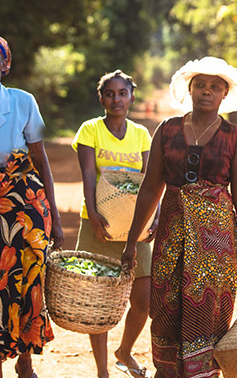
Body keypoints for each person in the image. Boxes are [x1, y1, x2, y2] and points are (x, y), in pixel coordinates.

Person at [121, 56, 237, 378]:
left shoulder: (234, 137)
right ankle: (167, 371)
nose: (206, 92)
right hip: (171, 239)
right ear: (190, 89)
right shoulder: (167, 131)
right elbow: (149, 188)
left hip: (216, 245)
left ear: (224, 94)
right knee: (166, 308)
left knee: (208, 313)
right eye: (200, 85)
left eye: (215, 87)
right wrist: (131, 242)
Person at [0, 34, 64, 378]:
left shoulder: (22, 102)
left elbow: (40, 161)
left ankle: (25, 358)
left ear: (5, 65)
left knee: (28, 281)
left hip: (25, 206)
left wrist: (57, 220)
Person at [72, 70, 154, 378]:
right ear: (101, 98)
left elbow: (149, 183)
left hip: (136, 227)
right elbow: (89, 176)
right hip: (100, 225)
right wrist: (92, 215)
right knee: (100, 301)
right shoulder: (90, 130)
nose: (116, 98)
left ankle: (125, 351)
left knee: (143, 299)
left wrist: (153, 217)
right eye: (110, 93)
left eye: (122, 93)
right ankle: (102, 370)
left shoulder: (142, 135)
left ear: (132, 97)